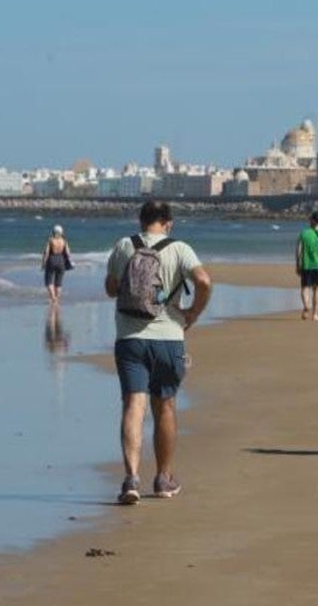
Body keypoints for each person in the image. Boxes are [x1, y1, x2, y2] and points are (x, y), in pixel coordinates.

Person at [105, 200, 212, 505]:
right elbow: (203, 280)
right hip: (169, 338)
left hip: (130, 338)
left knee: (133, 406)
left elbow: (111, 289)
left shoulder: (125, 245)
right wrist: (192, 313)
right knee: (165, 406)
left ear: (141, 221)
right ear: (168, 223)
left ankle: (131, 479)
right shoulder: (180, 248)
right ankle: (164, 479)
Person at [41, 224, 72, 304]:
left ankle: (53, 298)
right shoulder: (64, 241)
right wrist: (69, 261)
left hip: (52, 259)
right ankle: (57, 299)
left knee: (48, 281)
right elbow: (68, 253)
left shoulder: (50, 240)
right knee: (58, 282)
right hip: (61, 260)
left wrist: (43, 263)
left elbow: (46, 252)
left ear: (53, 232)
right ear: (61, 232)